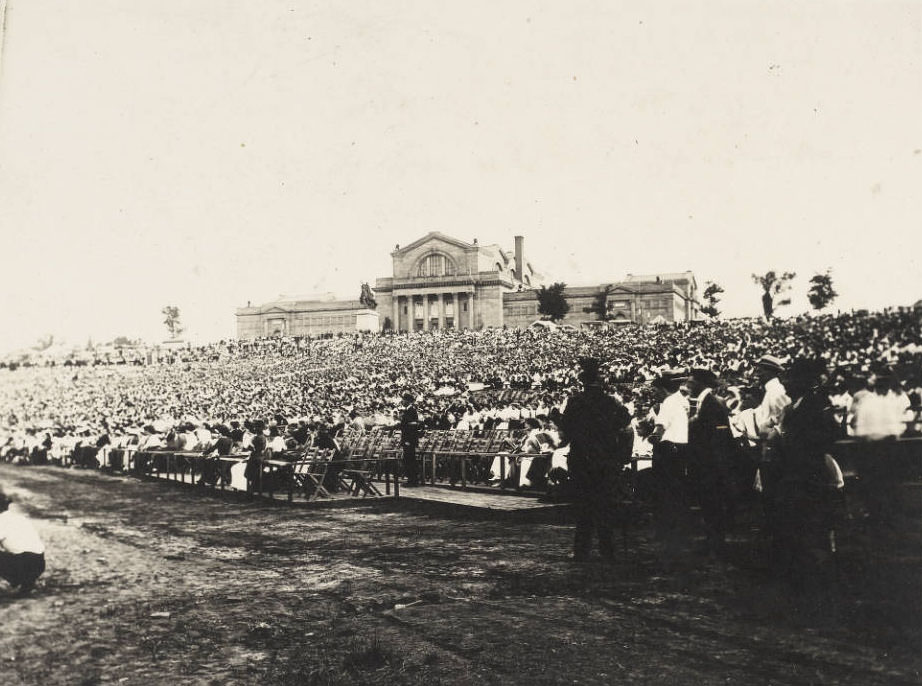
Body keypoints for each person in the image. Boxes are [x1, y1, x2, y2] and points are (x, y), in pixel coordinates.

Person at [559, 357, 633, 562]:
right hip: (606, 461)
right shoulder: (611, 402)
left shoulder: (575, 402)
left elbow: (566, 432)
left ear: (582, 382)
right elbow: (625, 424)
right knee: (605, 506)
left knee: (584, 507)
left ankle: (581, 551)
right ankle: (607, 550)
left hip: (582, 460)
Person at [687, 368, 739, 555]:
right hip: (707, 462)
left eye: (691, 382)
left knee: (713, 503)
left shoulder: (713, 403)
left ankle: (716, 543)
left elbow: (719, 437)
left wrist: (715, 466)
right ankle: (713, 541)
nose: (688, 385)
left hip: (712, 463)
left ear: (701, 383)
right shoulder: (706, 402)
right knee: (709, 504)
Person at [648, 370, 690, 553]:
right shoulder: (683, 400)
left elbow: (659, 429)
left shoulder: (668, 402)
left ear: (663, 388)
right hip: (682, 449)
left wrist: (652, 438)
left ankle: (665, 530)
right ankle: (678, 529)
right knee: (678, 490)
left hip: (667, 450)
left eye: (656, 389)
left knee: (663, 491)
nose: (655, 393)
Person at [0, 490, 45, 596]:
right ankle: (27, 584)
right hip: (39, 563)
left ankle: (17, 582)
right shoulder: (19, 518)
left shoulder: (1, 521)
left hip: (23, 563)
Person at [400, 392, 422, 487]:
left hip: (409, 439)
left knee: (410, 460)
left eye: (404, 399)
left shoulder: (412, 410)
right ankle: (411, 479)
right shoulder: (408, 410)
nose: (402, 401)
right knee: (407, 459)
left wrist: (408, 440)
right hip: (407, 438)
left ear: (408, 401)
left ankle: (412, 480)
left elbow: (412, 426)